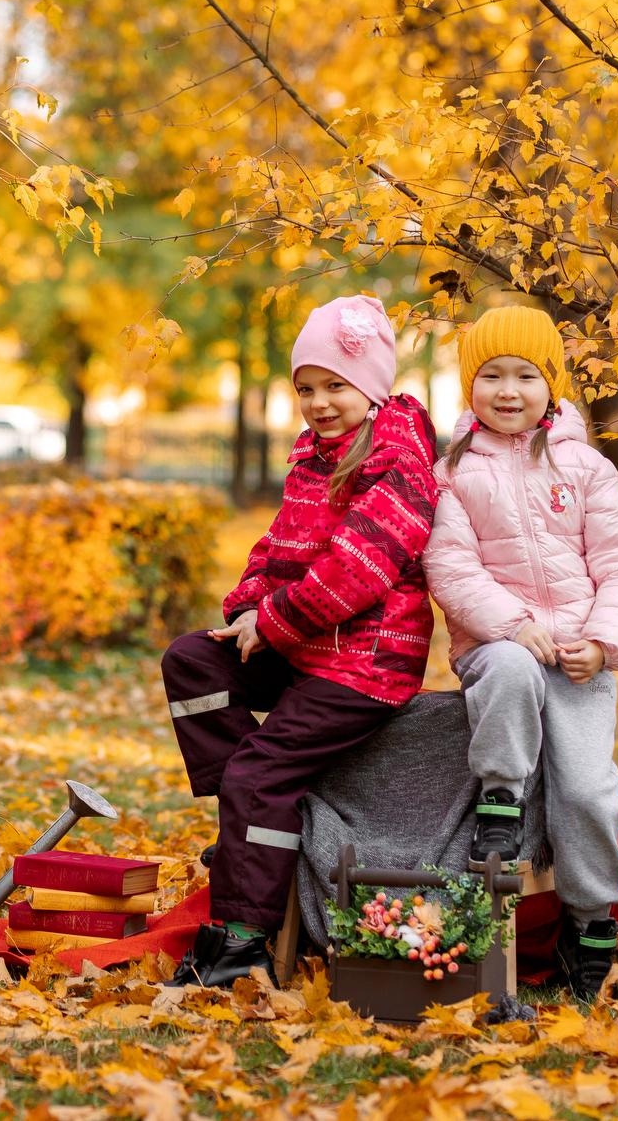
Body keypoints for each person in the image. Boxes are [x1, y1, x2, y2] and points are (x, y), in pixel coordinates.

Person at [160, 295, 439, 988]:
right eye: (306, 388)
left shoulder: (399, 460)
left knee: (259, 774)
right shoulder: (313, 453)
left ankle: (241, 938)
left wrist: (275, 620)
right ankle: (252, 832)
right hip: (307, 646)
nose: (319, 402)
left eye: (335, 386)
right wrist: (246, 607)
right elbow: (281, 543)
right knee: (192, 661)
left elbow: (356, 570)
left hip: (367, 663)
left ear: (371, 388)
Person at [423, 304, 618, 1001]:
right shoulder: (455, 471)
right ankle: (500, 799)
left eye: (526, 375)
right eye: (491, 375)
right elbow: (451, 566)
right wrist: (513, 623)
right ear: (471, 386)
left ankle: (589, 927)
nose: (509, 390)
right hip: (499, 648)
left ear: (552, 384)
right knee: (514, 665)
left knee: (587, 791)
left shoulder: (586, 467)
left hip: (578, 656)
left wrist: (605, 643)